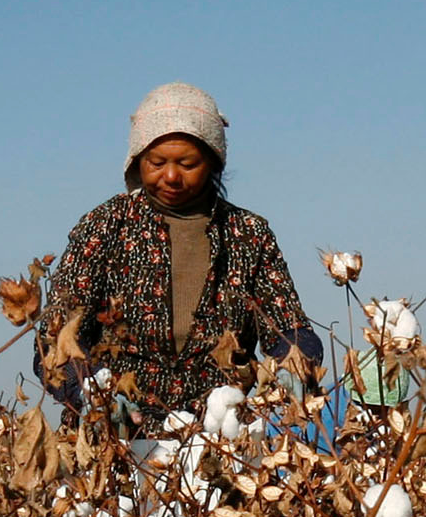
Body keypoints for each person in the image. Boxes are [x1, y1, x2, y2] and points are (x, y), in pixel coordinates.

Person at [36, 84, 320, 431]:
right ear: (137, 160)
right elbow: (55, 341)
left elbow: (288, 329)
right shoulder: (105, 226)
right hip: (113, 441)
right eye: (157, 162)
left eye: (187, 163)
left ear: (214, 163)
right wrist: (95, 392)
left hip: (220, 439)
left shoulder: (247, 234)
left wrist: (294, 367)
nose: (170, 176)